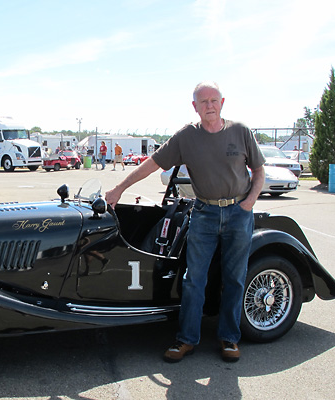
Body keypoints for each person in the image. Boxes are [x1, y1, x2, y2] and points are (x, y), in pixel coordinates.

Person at [105, 81, 265, 364]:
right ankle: (187, 339)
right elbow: (153, 163)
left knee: (235, 278)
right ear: (195, 106)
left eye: (214, 100)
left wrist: (250, 201)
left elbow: (259, 169)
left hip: (239, 213)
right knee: (193, 279)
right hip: (204, 213)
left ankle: (229, 338)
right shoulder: (186, 137)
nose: (209, 106)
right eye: (203, 102)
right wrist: (120, 188)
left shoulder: (240, 131)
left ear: (222, 102)